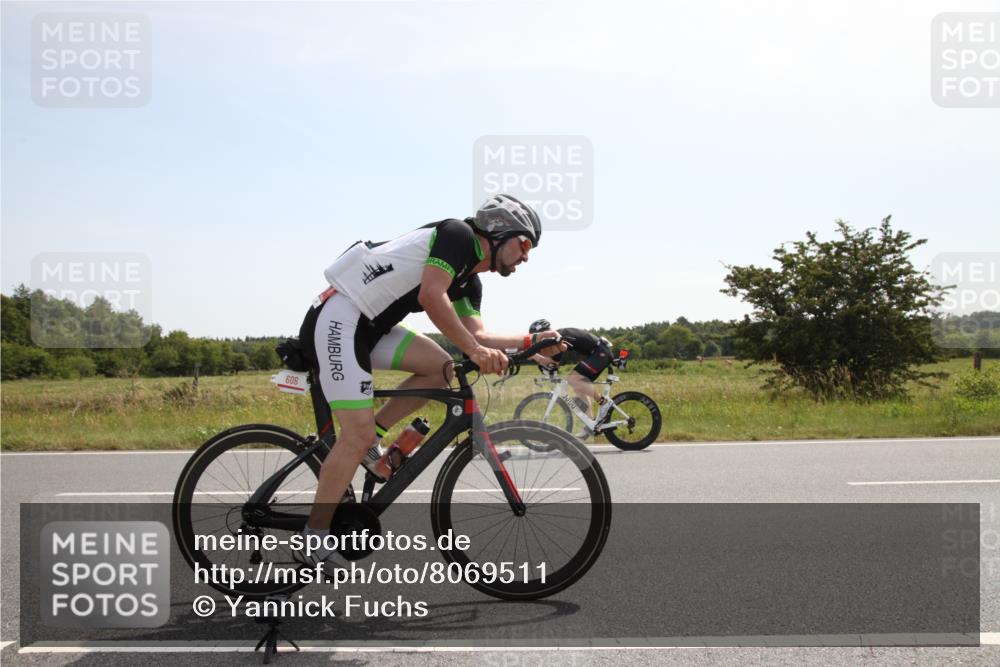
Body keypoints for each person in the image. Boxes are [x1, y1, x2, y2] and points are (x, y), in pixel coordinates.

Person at [294, 194, 564, 568]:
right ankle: (314, 539)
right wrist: (473, 349)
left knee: (441, 369)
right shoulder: (457, 235)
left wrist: (531, 345)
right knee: (352, 436)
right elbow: (431, 295)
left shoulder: (470, 283)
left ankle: (370, 443)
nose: (526, 257)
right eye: (525, 245)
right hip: (340, 315)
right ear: (502, 231)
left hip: (370, 327)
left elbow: (480, 338)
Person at [528, 319, 614, 436]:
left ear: (544, 332)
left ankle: (604, 402)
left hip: (600, 351)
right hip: (597, 353)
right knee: (578, 387)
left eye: (536, 336)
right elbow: (553, 364)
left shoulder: (555, 339)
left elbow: (551, 363)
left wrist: (533, 356)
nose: (536, 340)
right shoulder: (555, 338)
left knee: (573, 379)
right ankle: (590, 425)